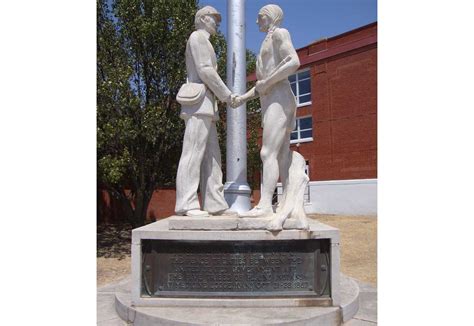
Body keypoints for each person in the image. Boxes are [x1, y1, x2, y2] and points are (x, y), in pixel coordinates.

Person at [233, 4, 301, 219]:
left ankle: (264, 205)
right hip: (272, 98)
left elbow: (294, 62)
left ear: (270, 17)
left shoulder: (280, 33)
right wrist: (242, 98)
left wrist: (268, 82)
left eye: (260, 17)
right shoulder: (268, 40)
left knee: (267, 152)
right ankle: (287, 204)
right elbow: (263, 84)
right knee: (280, 155)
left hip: (280, 98)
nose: (256, 21)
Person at [175, 6, 236, 217]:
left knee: (212, 157)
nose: (217, 23)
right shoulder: (197, 37)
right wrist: (227, 95)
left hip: (207, 106)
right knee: (193, 153)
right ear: (202, 19)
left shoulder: (206, 42)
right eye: (213, 18)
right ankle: (187, 203)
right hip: (198, 102)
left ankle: (214, 203)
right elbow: (205, 70)